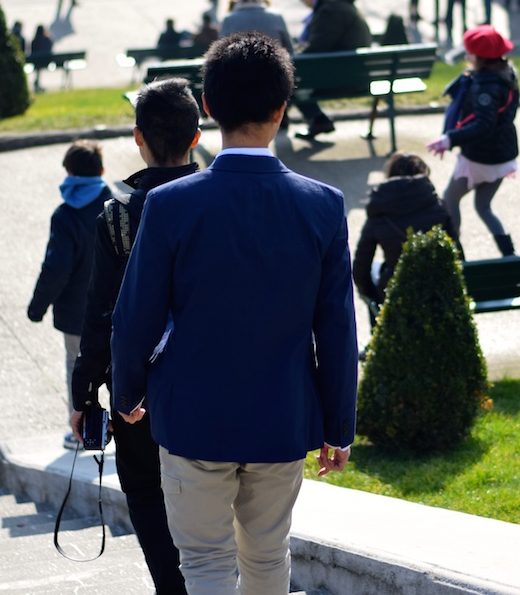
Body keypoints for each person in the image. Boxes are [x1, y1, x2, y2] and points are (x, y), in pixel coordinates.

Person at [110, 32, 358, 595]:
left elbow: (135, 314)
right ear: (281, 109)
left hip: (192, 414)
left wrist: (126, 393)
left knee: (202, 563)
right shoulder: (322, 204)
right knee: (270, 559)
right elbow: (338, 327)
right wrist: (339, 424)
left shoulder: (170, 203)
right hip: (282, 416)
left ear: (209, 107)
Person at [70, 79, 200, 595]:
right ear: (196, 135)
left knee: (146, 492)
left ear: (137, 137)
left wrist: (84, 390)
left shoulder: (118, 215)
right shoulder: (214, 200)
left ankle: (174, 585)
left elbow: (101, 311)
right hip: (212, 381)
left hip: (138, 393)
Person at [27, 140, 114, 450]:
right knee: (121, 368)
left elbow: (56, 269)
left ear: (68, 172)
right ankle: (129, 433)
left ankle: (85, 434)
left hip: (77, 314)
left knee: (79, 371)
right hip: (118, 309)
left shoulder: (65, 215)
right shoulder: (117, 205)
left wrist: (37, 307)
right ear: (102, 171)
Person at [427, 26, 519, 257]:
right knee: (483, 206)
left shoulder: (485, 86)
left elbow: (484, 124)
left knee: (449, 200)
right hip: (503, 155)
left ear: (480, 58)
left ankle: (456, 255)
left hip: (481, 157)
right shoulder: (507, 75)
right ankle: (509, 253)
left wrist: (450, 138)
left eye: (469, 53)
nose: (466, 56)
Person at [352, 151, 455, 317]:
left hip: (394, 289)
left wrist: (371, 296)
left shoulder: (379, 210)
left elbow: (360, 267)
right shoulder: (438, 206)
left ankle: (377, 337)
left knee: (375, 273)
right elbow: (456, 254)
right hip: (436, 288)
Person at [292, 0, 373, 139]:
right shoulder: (342, 5)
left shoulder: (330, 10)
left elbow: (316, 49)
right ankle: (317, 119)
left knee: (285, 79)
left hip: (344, 79)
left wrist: (291, 57)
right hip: (355, 74)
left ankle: (316, 119)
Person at [220, 0, 293, 52]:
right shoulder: (276, 17)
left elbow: (220, 52)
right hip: (272, 63)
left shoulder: (228, 20)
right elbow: (289, 49)